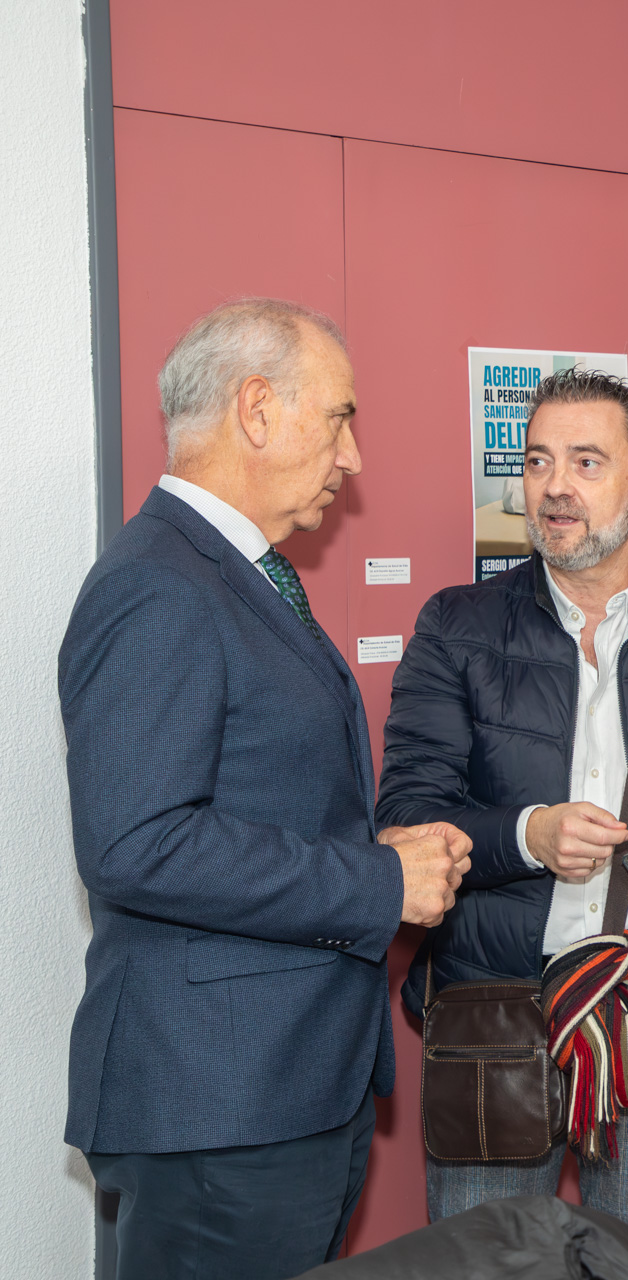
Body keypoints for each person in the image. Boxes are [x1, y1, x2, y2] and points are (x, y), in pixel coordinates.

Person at [61, 299, 470, 1279]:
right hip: (219, 1108)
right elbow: (137, 843)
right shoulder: (160, 584)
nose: (352, 456)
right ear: (255, 409)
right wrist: (379, 882)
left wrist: (384, 857)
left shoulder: (231, 573)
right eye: (338, 417)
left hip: (277, 1091)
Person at [378, 367, 628, 1257]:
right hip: (497, 1005)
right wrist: (527, 835)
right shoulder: (456, 627)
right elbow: (408, 814)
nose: (554, 486)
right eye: (537, 461)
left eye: (586, 462)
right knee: (487, 1266)